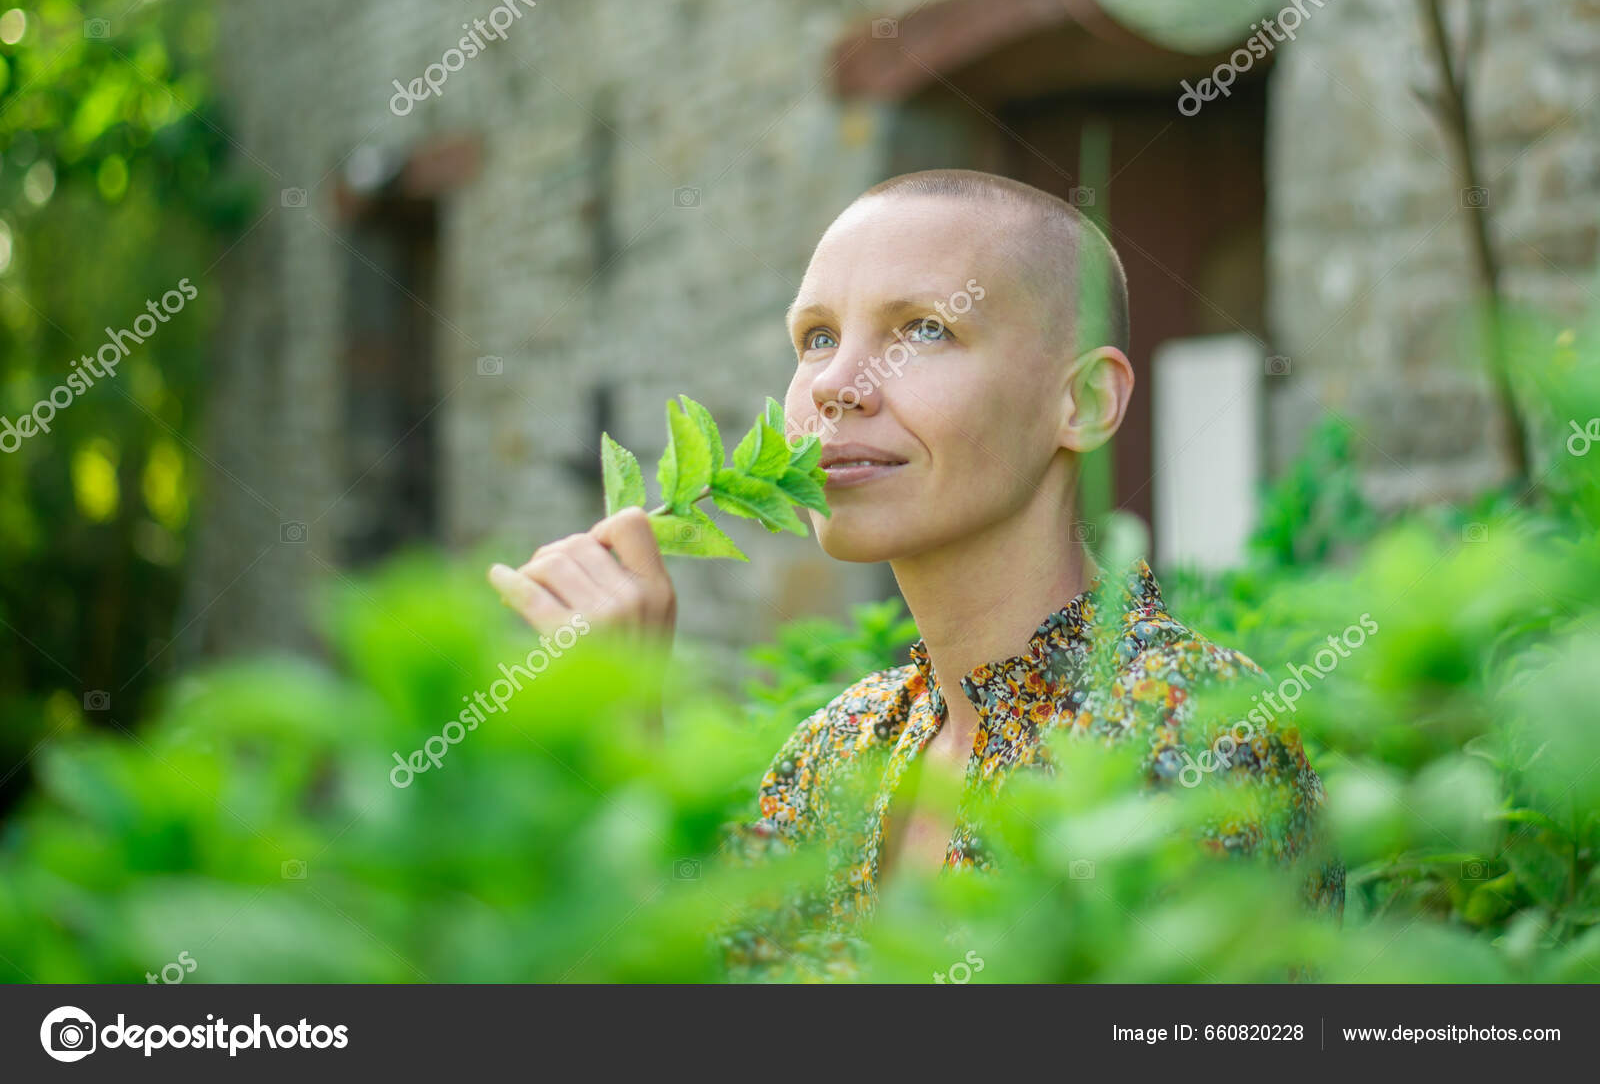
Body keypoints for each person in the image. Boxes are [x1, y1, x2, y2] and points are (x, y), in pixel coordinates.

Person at [488, 169, 1342, 980]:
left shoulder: (1194, 734)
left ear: (1080, 402)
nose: (834, 385)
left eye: (924, 329)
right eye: (817, 336)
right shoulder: (835, 749)